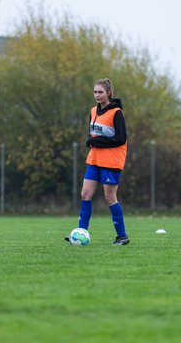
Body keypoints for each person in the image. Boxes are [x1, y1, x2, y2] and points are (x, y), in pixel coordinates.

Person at [65, 78, 129, 245]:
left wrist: (96, 142)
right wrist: (89, 140)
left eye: (100, 92)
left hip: (111, 162)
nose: (97, 95)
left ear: (108, 93)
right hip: (94, 159)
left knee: (110, 198)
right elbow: (92, 133)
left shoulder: (116, 113)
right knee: (85, 194)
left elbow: (121, 139)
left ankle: (122, 236)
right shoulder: (93, 110)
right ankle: (80, 232)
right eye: (95, 92)